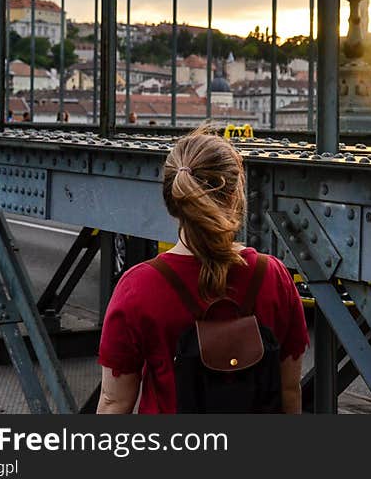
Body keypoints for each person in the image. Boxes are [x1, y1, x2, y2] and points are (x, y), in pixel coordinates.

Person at [97, 128, 308, 414]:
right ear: (235, 196)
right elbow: (289, 391)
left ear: (173, 200)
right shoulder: (273, 276)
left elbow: (115, 402)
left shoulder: (138, 287)